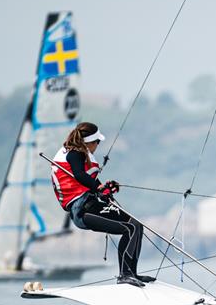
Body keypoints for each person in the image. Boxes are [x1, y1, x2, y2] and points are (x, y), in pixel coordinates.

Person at [51, 122, 152, 288]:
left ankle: (132, 273)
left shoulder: (82, 156)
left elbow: (91, 183)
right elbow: (79, 175)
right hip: (82, 211)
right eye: (97, 142)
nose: (98, 145)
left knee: (137, 225)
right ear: (89, 142)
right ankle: (124, 275)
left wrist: (105, 189)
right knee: (129, 229)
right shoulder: (74, 154)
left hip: (92, 204)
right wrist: (98, 187)